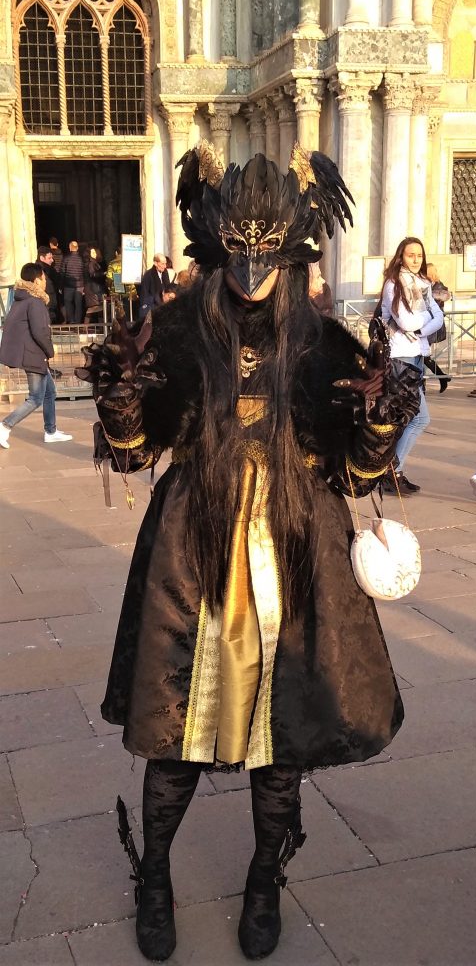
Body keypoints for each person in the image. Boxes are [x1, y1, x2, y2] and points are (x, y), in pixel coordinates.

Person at [77, 142, 420, 963]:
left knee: (282, 745)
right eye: (239, 252)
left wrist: (376, 420)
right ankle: (154, 875)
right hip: (193, 559)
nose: (253, 269)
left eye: (267, 253)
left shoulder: (328, 342)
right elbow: (133, 449)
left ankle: (265, 879)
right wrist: (124, 400)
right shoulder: (180, 333)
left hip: (300, 560)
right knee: (176, 741)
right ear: (215, 244)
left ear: (293, 250)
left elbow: (357, 469)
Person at [379, 237, 443, 496]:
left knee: (408, 418)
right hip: (400, 357)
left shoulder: (424, 284)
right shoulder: (394, 284)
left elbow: (439, 317)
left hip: (416, 354)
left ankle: (392, 471)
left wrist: (422, 326)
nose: (416, 259)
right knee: (419, 417)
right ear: (401, 257)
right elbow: (404, 321)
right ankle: (392, 470)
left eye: (419, 255)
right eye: (410, 255)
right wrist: (423, 322)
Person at [0, 263, 72, 448]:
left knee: (50, 393)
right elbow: (40, 331)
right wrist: (50, 350)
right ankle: (5, 426)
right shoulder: (34, 301)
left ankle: (51, 431)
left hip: (32, 354)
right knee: (35, 398)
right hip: (34, 355)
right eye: (43, 278)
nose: (45, 281)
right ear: (36, 280)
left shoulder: (21, 299)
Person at [424, 264, 451, 393]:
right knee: (423, 355)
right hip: (427, 324)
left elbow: (433, 303)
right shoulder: (429, 285)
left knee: (422, 355)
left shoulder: (438, 287)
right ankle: (442, 377)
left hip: (432, 325)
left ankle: (440, 377)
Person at [138, 254, 170, 318]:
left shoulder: (165, 272)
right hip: (152, 306)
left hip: (163, 305)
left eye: (165, 263)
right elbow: (144, 293)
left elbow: (167, 286)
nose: (165, 266)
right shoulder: (148, 275)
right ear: (155, 263)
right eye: (162, 264)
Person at [61, 241, 84, 323]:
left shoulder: (66, 258)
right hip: (79, 285)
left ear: (70, 247)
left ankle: (71, 320)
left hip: (68, 285)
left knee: (68, 302)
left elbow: (62, 272)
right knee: (78, 304)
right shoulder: (81, 259)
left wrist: (61, 284)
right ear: (77, 248)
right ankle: (78, 321)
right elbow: (83, 272)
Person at [36, 246, 60, 324]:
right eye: (49, 258)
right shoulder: (39, 271)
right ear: (42, 258)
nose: (52, 260)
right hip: (46, 306)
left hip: (49, 305)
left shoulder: (49, 270)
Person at [83, 247, 106, 324]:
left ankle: (101, 326)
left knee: (98, 308)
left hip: (93, 287)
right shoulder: (91, 263)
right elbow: (93, 274)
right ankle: (85, 328)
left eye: (94, 252)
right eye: (92, 253)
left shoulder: (94, 263)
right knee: (93, 308)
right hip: (93, 288)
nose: (94, 254)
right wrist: (103, 273)